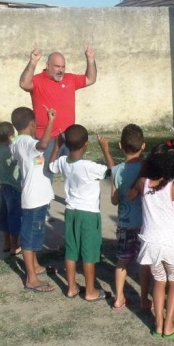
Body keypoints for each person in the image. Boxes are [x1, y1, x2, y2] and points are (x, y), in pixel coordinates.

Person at [129, 141, 174, 339]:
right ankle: (169, 324)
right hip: (170, 243)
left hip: (150, 242)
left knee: (159, 281)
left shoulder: (142, 183)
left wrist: (142, 172)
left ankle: (159, 323)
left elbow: (130, 195)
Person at [49, 125, 114, 301]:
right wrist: (105, 149)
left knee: (71, 250)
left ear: (66, 144)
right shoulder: (89, 166)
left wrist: (57, 146)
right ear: (86, 145)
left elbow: (51, 166)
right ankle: (90, 291)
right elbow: (113, 171)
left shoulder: (63, 161)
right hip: (89, 215)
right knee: (89, 253)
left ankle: (71, 288)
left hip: (71, 211)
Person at [18, 46, 97, 180]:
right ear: (48, 66)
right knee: (44, 175)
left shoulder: (70, 79)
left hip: (68, 138)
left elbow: (90, 79)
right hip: (45, 139)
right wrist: (33, 62)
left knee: (74, 175)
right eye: (57, 66)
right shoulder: (37, 80)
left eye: (63, 67)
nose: (60, 70)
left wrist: (90, 59)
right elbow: (24, 84)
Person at [10, 106, 57, 292]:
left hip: (37, 197)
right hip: (34, 199)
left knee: (34, 234)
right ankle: (31, 278)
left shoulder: (18, 142)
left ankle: (35, 266)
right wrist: (51, 121)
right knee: (29, 238)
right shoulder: (27, 142)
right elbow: (43, 145)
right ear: (32, 124)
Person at [110, 124, 152, 311]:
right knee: (144, 262)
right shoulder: (147, 168)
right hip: (144, 223)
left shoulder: (116, 170)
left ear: (120, 146)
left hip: (124, 223)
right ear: (143, 146)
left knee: (122, 260)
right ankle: (144, 299)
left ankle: (119, 297)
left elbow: (114, 200)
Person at [0, 121, 22, 255]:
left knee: (4, 215)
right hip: (14, 188)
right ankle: (14, 245)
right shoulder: (10, 151)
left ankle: (6, 242)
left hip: (3, 186)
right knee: (14, 216)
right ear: (11, 136)